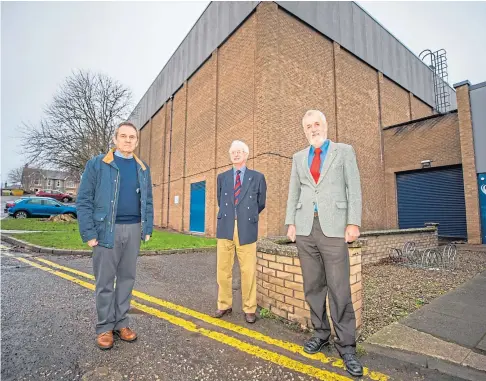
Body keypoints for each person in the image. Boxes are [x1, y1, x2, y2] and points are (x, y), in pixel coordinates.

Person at [285, 110, 363, 377]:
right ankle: (321, 333)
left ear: (325, 126)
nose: (313, 129)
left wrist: (353, 222)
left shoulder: (344, 151)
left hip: (334, 228)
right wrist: (290, 222)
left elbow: (354, 186)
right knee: (313, 287)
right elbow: (294, 191)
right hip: (305, 228)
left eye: (316, 124)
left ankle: (347, 346)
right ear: (304, 130)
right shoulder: (298, 158)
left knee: (339, 288)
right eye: (308, 126)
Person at [77, 121, 154, 350]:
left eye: (132, 137)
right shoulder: (97, 164)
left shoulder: (142, 168)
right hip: (105, 231)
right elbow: (83, 200)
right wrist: (89, 233)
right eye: (123, 136)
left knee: (127, 280)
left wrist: (147, 228)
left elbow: (147, 200)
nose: (128, 140)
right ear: (115, 139)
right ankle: (104, 328)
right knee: (104, 282)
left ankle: (122, 323)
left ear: (137, 141)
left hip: (133, 229)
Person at [214, 140, 266, 324]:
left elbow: (261, 203)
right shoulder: (222, 177)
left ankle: (249, 308)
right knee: (223, 269)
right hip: (225, 226)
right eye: (233, 152)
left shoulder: (257, 177)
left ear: (246, 154)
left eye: (239, 152)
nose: (236, 155)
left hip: (246, 227)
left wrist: (246, 215)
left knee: (248, 270)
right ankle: (224, 304)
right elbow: (221, 201)